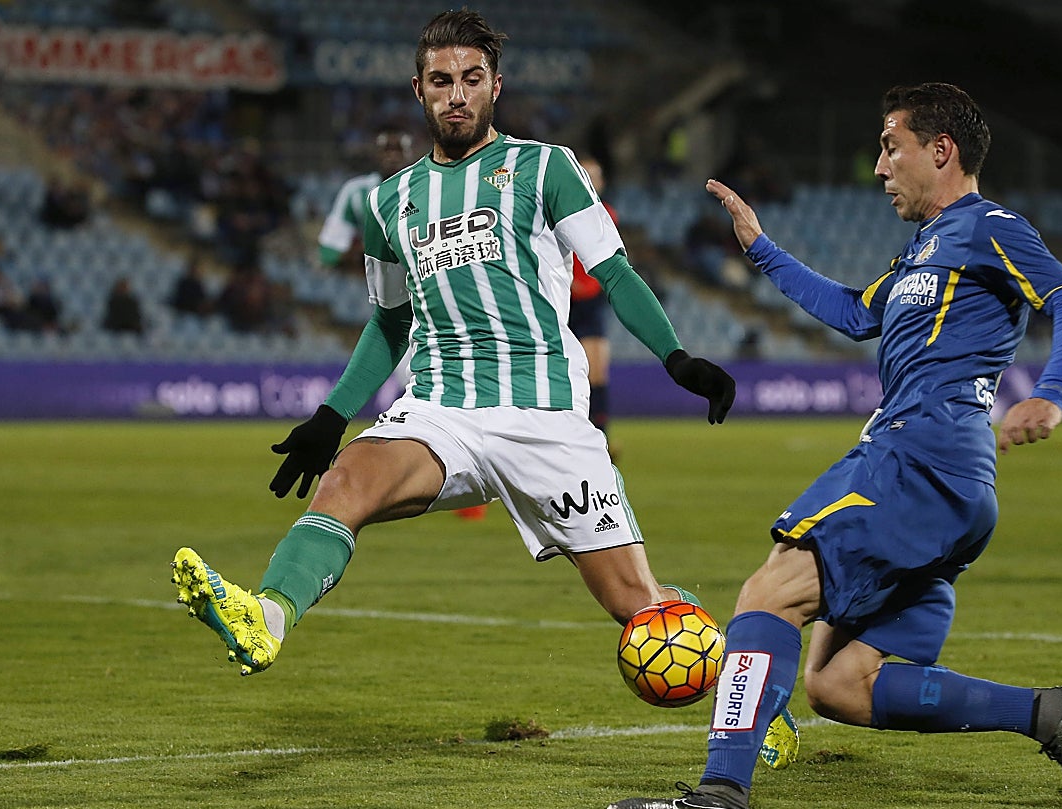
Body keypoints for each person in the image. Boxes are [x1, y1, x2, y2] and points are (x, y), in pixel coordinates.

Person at [171, 11, 735, 689]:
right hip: (443, 410)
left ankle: (755, 693)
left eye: (471, 79)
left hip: (545, 417)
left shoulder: (546, 167)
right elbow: (389, 323)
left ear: (497, 84)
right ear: (419, 91)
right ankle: (267, 616)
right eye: (442, 81)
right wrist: (332, 415)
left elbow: (613, 271)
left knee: (638, 610)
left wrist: (678, 359)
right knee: (346, 479)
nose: (457, 94)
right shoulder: (390, 202)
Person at [607, 82, 1062, 809]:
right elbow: (852, 312)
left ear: (941, 151)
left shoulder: (988, 226)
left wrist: (1053, 393)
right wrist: (761, 248)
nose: (878, 166)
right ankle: (1049, 714)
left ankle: (720, 789)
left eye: (890, 145)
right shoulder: (925, 251)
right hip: (950, 485)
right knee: (839, 685)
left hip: (918, 459)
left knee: (767, 593)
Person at [317, 126, 417, 271]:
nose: (393, 156)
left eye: (399, 149)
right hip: (369, 277)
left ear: (411, 152)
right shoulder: (356, 191)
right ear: (376, 153)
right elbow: (330, 249)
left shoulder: (428, 187)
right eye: (386, 149)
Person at [568, 155, 614, 440]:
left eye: (594, 175)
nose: (590, 181)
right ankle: (577, 434)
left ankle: (600, 436)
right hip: (564, 298)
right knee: (574, 374)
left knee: (597, 372)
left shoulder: (607, 213)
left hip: (591, 299)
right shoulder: (555, 212)